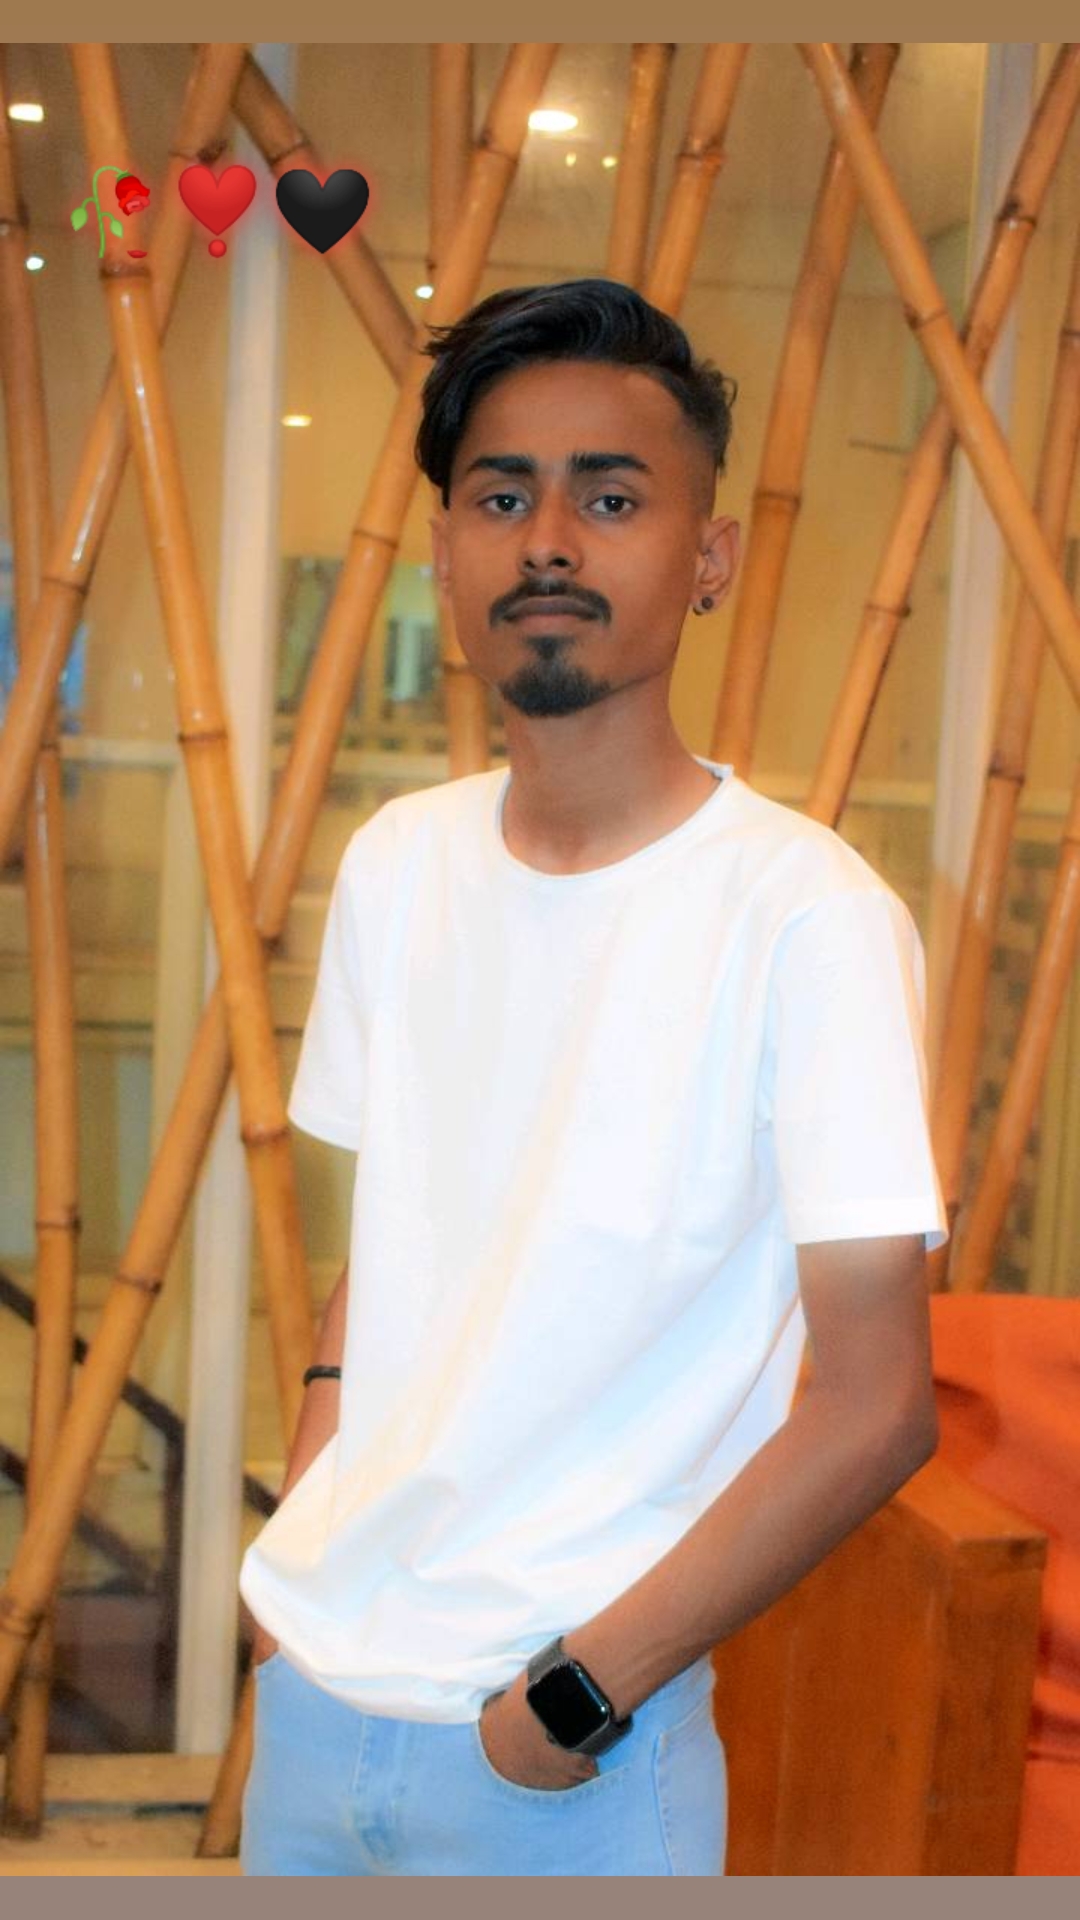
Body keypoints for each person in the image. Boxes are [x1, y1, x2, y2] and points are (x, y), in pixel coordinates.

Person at [238, 278, 949, 1876]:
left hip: (565, 1764)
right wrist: (304, 1541)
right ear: (444, 551)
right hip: (318, 1704)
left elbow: (877, 1404)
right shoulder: (398, 864)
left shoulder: (809, 918)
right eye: (502, 497)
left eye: (611, 499)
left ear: (709, 557)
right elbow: (390, 1255)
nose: (548, 542)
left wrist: (575, 1697)